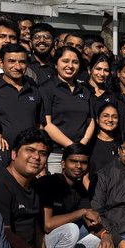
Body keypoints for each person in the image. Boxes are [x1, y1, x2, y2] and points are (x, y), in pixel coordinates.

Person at [40, 44, 94, 172]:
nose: (70, 66)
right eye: (65, 61)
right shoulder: (47, 88)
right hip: (57, 155)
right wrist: (72, 146)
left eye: (75, 62)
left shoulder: (85, 91)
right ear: (55, 64)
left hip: (81, 154)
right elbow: (47, 125)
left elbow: (91, 121)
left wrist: (83, 143)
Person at [0, 43, 44, 145]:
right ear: (1, 63)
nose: (17, 67)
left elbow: (39, 125)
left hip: (27, 154)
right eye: (11, 61)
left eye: (22, 62)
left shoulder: (34, 90)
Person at [88, 102, 121, 180]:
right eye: (106, 116)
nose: (110, 120)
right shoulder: (90, 143)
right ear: (97, 120)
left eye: (114, 117)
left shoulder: (122, 144)